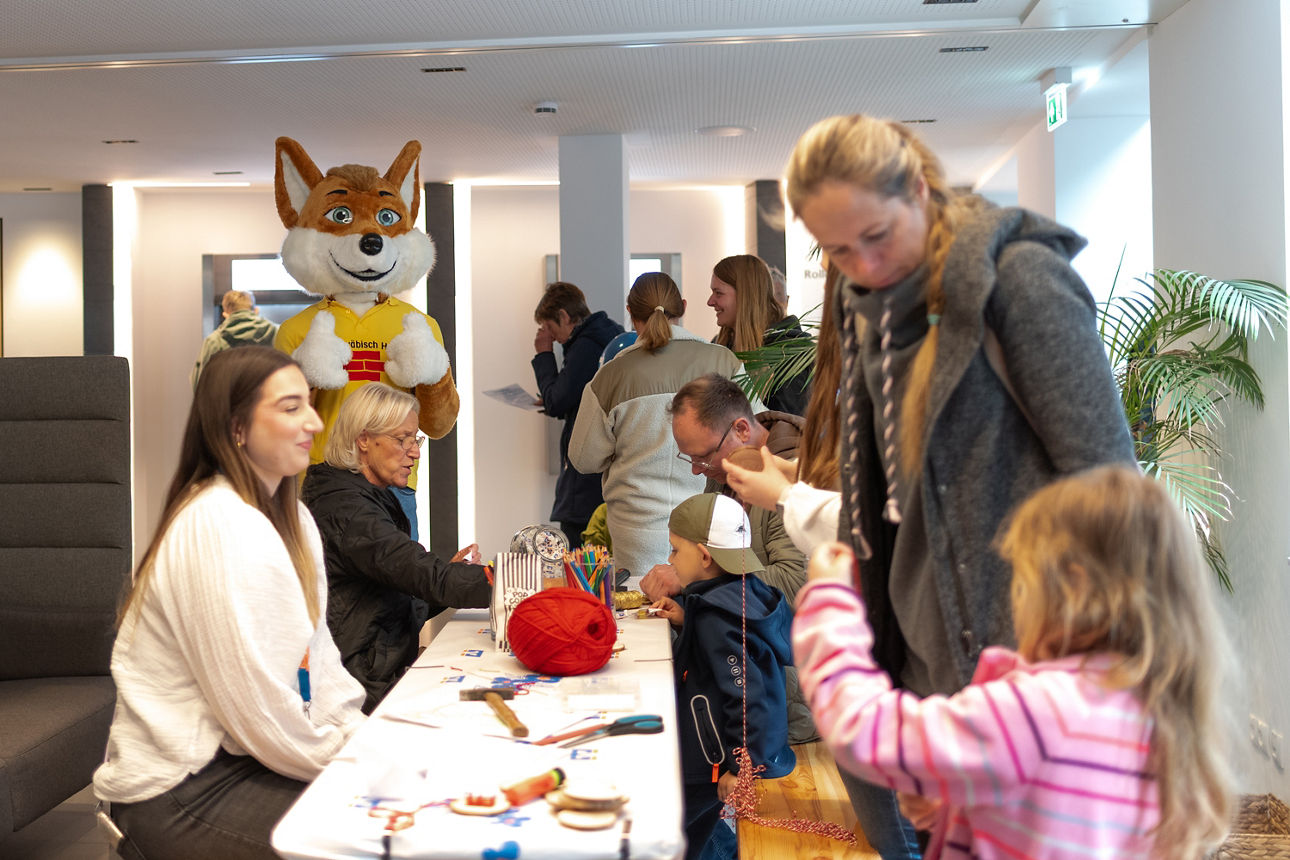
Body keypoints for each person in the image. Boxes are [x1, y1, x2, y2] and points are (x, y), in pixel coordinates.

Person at [780, 114, 1140, 858]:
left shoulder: (1022, 280)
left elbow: (1111, 489)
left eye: (877, 236)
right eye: (837, 250)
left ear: (919, 188)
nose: (865, 264)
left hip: (1030, 668)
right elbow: (878, 484)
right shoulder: (861, 304)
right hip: (919, 652)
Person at [794, 465, 1235, 859]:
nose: (1015, 599)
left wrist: (831, 602)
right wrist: (955, 807)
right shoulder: (1153, 712)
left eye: (1022, 579)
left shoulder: (1038, 709)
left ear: (1074, 589)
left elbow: (864, 728)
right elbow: (1049, 821)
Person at [94, 346, 366, 860]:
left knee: (388, 809)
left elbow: (320, 662)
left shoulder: (293, 520)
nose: (313, 420)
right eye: (290, 407)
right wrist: (356, 762)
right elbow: (258, 712)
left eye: (310, 403)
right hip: (178, 788)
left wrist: (362, 739)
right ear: (235, 426)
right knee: (366, 838)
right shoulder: (217, 523)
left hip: (246, 758)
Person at [301, 382, 491, 712]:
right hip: (357, 690)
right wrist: (524, 581)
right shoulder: (350, 511)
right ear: (363, 439)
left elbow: (394, 596)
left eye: (415, 440)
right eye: (402, 440)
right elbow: (428, 578)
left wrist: (451, 575)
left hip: (371, 671)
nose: (415, 452)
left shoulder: (365, 496)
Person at [569, 272, 751, 581]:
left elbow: (583, 459)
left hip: (635, 532)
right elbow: (754, 439)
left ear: (631, 312)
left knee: (644, 617)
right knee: (704, 613)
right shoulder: (726, 363)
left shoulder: (610, 376)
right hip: (709, 525)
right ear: (682, 306)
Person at [651, 493, 796, 860]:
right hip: (723, 751)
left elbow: (748, 694)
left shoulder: (719, 619)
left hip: (714, 757)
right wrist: (688, 616)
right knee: (699, 824)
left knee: (680, 832)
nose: (670, 560)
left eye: (674, 550)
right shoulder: (743, 594)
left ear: (704, 556)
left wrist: (742, 765)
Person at [531, 281, 624, 547]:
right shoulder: (607, 335)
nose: (552, 338)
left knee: (579, 557)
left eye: (550, 328)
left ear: (563, 316)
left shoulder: (586, 345)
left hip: (585, 484)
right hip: (606, 473)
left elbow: (558, 400)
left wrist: (543, 354)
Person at [707, 254, 812, 416]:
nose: (710, 301)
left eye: (718, 293)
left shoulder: (789, 350)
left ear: (745, 296)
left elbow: (785, 424)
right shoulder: (721, 345)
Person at [191, 290, 278, 389]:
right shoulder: (277, 333)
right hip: (270, 399)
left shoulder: (214, 341)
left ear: (225, 315)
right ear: (256, 310)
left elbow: (200, 383)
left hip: (228, 402)